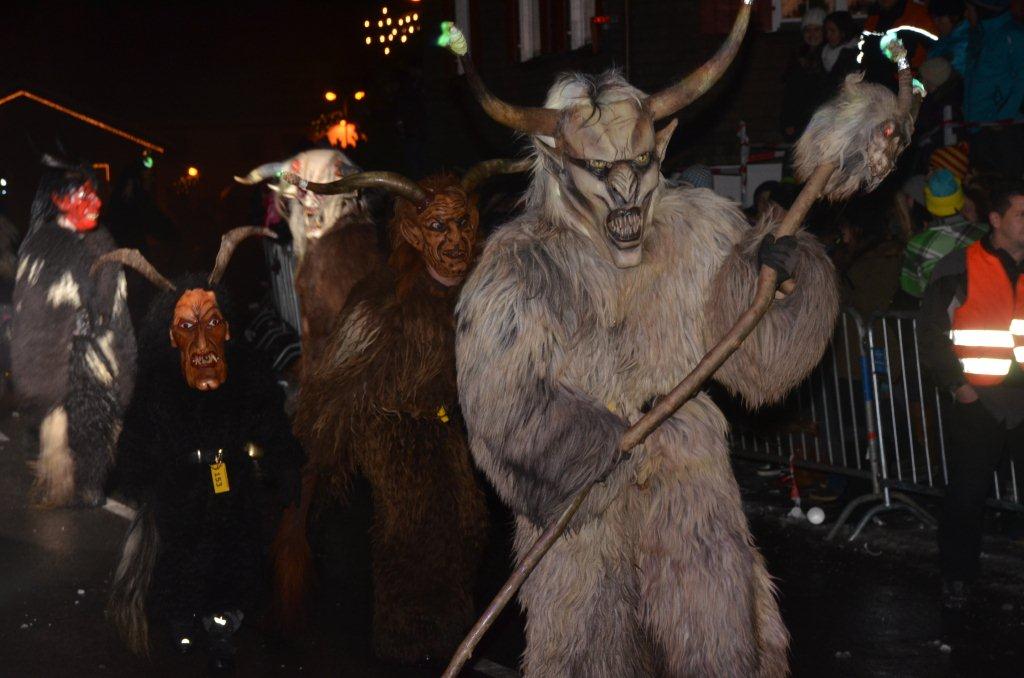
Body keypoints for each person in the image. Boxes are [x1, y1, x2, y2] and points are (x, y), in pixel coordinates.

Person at [918, 179, 1024, 609]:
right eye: (1022, 214)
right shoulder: (959, 266)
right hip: (980, 400)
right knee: (967, 493)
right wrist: (958, 386)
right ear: (995, 219)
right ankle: (957, 578)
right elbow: (931, 333)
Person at [899, 169, 988, 302]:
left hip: (939, 312)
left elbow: (911, 290)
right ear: (961, 199)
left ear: (929, 204)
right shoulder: (986, 232)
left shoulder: (917, 245)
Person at [963, 0, 1024, 180]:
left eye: (969, 9)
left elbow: (1022, 79)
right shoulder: (979, 35)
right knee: (980, 183)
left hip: (1003, 127)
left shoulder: (1013, 35)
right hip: (977, 124)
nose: (966, 15)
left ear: (982, 10)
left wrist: (1005, 115)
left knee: (1007, 184)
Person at [781, 7, 828, 141]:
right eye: (808, 30)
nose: (812, 34)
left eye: (816, 29)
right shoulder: (798, 56)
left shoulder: (828, 55)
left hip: (822, 120)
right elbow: (790, 91)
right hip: (799, 121)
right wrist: (788, 120)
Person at [822, 11, 861, 91]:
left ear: (843, 32)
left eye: (832, 31)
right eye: (826, 31)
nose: (828, 35)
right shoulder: (824, 51)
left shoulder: (852, 55)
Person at [929, 0, 970, 74]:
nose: (936, 23)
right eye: (933, 18)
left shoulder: (963, 44)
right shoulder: (946, 38)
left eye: (940, 19)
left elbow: (939, 75)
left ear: (955, 17)